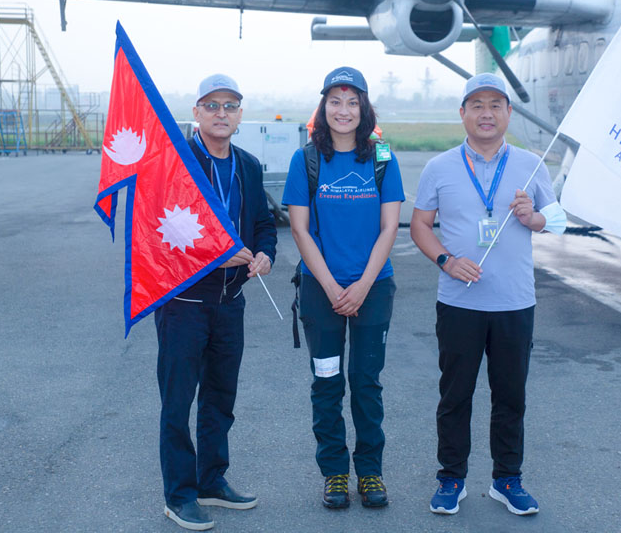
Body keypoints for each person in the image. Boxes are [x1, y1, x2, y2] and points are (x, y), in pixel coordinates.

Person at [410, 73, 566, 517]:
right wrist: (446, 261)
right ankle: (451, 478)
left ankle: (507, 480)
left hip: (514, 303)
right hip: (459, 303)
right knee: (454, 396)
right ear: (462, 113)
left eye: (495, 105)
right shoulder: (439, 167)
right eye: (476, 105)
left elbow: (557, 221)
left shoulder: (531, 165)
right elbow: (420, 225)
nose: (486, 113)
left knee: (510, 397)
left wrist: (533, 217)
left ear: (508, 113)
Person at [155, 74, 277, 531]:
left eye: (230, 106)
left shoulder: (248, 165)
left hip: (231, 302)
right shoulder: (177, 163)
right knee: (177, 402)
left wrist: (265, 254)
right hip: (183, 302)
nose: (221, 113)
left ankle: (211, 481)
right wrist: (214, 255)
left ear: (240, 115)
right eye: (212, 105)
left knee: (220, 397)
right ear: (196, 113)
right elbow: (161, 230)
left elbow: (263, 223)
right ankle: (179, 495)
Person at [282, 66, 404, 509]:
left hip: (373, 288)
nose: (344, 110)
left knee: (366, 383)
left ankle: (370, 472)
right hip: (321, 290)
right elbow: (299, 230)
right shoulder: (306, 159)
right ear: (324, 107)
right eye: (335, 101)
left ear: (364, 108)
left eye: (353, 102)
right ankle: (334, 472)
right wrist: (333, 287)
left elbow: (389, 228)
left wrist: (362, 285)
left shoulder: (383, 158)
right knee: (327, 382)